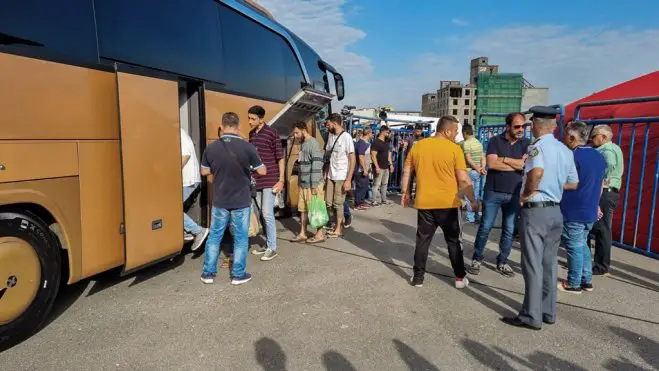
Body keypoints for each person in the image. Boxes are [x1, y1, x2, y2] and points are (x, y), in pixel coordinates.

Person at [502, 106, 578, 330]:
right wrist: (552, 187)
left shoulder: (537, 147)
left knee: (532, 265)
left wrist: (527, 193)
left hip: (536, 211)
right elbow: (573, 182)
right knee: (549, 264)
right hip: (555, 210)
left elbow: (536, 172)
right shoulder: (564, 150)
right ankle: (547, 312)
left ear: (534, 125)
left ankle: (530, 316)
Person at [401, 115, 478, 289]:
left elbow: (407, 171)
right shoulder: (454, 149)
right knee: (453, 241)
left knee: (422, 241)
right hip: (448, 205)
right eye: (456, 131)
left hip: (425, 203)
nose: (457, 135)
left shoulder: (418, 146)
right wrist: (472, 200)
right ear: (447, 130)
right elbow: (463, 178)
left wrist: (405, 193)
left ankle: (418, 278)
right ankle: (459, 278)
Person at [200, 112, 266, 286]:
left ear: (221, 127)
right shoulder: (248, 147)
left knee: (214, 236)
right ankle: (237, 275)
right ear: (238, 127)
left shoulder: (211, 148)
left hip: (220, 200)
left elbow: (204, 171)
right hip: (241, 201)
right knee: (241, 238)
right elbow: (262, 171)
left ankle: (208, 274)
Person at [467, 112, 531, 278]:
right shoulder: (496, 141)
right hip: (493, 192)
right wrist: (515, 163)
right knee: (485, 227)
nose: (521, 129)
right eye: (517, 126)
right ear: (508, 127)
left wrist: (504, 160)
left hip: (514, 193)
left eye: (523, 126)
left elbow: (525, 166)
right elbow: (491, 164)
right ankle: (477, 259)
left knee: (509, 230)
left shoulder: (526, 143)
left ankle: (502, 261)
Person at [560, 121, 606, 294]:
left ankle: (573, 282)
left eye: (565, 134)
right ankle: (586, 280)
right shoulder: (598, 156)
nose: (564, 138)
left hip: (574, 208)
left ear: (572, 137)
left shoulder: (572, 157)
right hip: (590, 208)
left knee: (574, 246)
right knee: (582, 245)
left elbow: (567, 182)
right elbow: (601, 183)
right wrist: (596, 204)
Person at [247, 105, 284, 262]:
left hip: (270, 180)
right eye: (248, 118)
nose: (249, 121)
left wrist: (281, 180)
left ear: (261, 119)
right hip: (256, 180)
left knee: (267, 213)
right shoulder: (251, 134)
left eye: (253, 119)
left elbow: (280, 157)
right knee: (262, 212)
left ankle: (273, 247)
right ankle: (268, 244)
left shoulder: (272, 133)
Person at [590, 124, 624, 276]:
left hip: (605, 191)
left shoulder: (607, 150)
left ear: (603, 137)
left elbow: (609, 164)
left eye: (594, 136)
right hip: (611, 192)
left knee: (602, 229)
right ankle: (597, 262)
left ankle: (601, 265)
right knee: (600, 228)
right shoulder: (615, 148)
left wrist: (601, 177)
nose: (592, 139)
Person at [290, 121, 326, 244]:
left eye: (297, 132)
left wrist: (314, 185)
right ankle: (303, 233)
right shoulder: (304, 144)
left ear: (304, 130)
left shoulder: (313, 144)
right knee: (303, 209)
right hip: (304, 184)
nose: (295, 135)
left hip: (313, 184)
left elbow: (317, 165)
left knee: (316, 209)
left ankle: (319, 234)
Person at [323, 114, 355, 238]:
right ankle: (335, 224)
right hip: (331, 174)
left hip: (341, 175)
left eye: (328, 124)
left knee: (338, 203)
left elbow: (353, 160)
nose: (327, 126)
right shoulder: (331, 136)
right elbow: (328, 156)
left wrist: (348, 179)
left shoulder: (347, 137)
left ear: (335, 123)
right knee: (328, 202)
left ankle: (338, 228)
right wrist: (326, 172)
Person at [180, 127, 209, 251]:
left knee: (171, 208)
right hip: (186, 180)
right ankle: (184, 231)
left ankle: (197, 231)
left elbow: (185, 155)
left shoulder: (179, 132)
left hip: (188, 179)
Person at [460, 124, 486, 223]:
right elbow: (483, 157)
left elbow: (468, 159)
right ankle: (476, 215)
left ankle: (470, 217)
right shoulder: (478, 143)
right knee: (476, 194)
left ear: (464, 133)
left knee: (469, 195)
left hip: (470, 171)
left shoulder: (467, 143)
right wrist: (482, 168)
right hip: (478, 172)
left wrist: (476, 168)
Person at [370, 126, 394, 205]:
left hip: (385, 167)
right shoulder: (376, 142)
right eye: (387, 132)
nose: (388, 134)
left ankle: (383, 200)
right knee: (376, 184)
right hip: (378, 167)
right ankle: (374, 201)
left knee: (384, 184)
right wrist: (377, 167)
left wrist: (390, 165)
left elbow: (388, 156)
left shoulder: (386, 142)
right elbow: (373, 155)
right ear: (383, 132)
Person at [354, 127, 374, 210]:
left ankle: (361, 202)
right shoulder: (362, 143)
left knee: (364, 185)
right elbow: (361, 156)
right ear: (368, 133)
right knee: (361, 186)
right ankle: (358, 204)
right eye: (372, 133)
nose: (372, 134)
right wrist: (365, 169)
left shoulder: (364, 142)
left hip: (363, 169)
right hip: (360, 169)